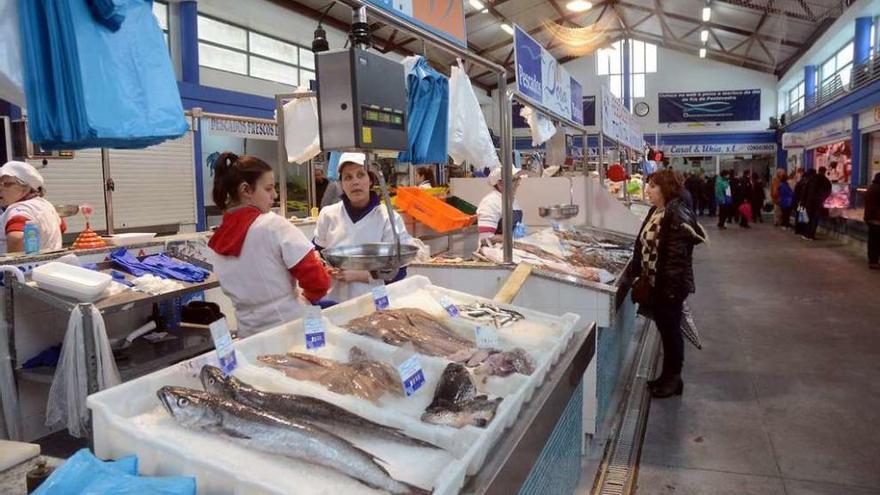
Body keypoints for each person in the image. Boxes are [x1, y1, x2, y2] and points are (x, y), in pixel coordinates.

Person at [208, 153, 331, 338]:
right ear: (246, 190)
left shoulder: (217, 239)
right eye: (268, 188)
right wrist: (307, 297)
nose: (274, 195)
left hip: (248, 334)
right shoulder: (273, 225)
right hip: (291, 330)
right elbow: (318, 282)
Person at [631, 169, 706, 398]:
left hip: (668, 286)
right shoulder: (657, 210)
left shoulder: (675, 215)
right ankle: (667, 377)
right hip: (657, 283)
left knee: (671, 333)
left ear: (665, 189)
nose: (648, 190)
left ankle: (674, 380)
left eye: (653, 186)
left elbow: (675, 258)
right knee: (666, 332)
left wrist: (669, 292)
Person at [314, 152, 422, 301]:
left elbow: (399, 271)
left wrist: (359, 275)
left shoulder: (388, 218)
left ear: (370, 180)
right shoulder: (328, 214)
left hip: (374, 302)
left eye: (360, 175)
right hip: (334, 301)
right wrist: (322, 266)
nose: (355, 182)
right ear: (341, 184)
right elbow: (316, 254)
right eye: (348, 177)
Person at [0, 161, 64, 254]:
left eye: (6, 184)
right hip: (50, 265)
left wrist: (13, 265)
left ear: (25, 189)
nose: (0, 188)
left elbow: (17, 238)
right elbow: (62, 227)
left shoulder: (19, 209)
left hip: (25, 267)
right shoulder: (46, 205)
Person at [476, 167, 526, 243]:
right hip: (493, 251)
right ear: (500, 184)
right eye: (513, 180)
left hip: (511, 248)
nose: (518, 183)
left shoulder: (511, 199)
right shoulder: (490, 203)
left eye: (518, 178)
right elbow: (485, 238)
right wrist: (511, 238)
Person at [804, 166, 832, 240]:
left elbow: (805, 190)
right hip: (819, 202)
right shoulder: (826, 181)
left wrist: (804, 200)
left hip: (809, 201)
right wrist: (823, 198)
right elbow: (828, 191)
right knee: (815, 219)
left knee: (809, 218)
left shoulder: (811, 179)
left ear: (818, 171)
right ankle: (812, 235)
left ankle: (807, 234)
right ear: (824, 172)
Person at [864, 172, 880, 269]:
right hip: (877, 219)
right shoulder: (878, 189)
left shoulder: (871, 187)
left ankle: (872, 260)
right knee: (876, 241)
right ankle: (874, 261)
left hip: (870, 218)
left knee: (872, 240)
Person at [793, 169, 814, 235]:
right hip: (802, 202)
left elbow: (796, 192)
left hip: (799, 202)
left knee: (800, 216)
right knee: (803, 216)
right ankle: (802, 230)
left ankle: (798, 230)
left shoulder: (800, 182)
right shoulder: (805, 183)